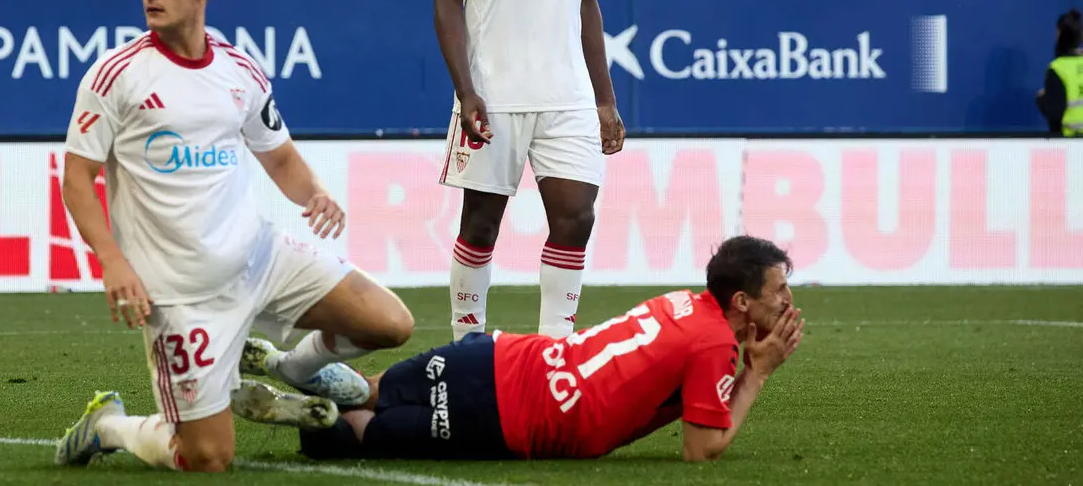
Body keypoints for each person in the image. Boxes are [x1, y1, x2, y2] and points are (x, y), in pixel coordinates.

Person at [53, 0, 414, 473]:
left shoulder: (238, 69)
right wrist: (113, 262)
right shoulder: (116, 76)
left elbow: (280, 156)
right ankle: (109, 426)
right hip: (181, 295)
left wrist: (314, 192)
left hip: (262, 259)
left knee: (390, 323)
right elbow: (76, 178)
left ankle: (295, 367)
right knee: (207, 457)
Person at [274, 235, 803, 463]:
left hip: (498, 354)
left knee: (372, 390)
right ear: (741, 300)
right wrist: (757, 373)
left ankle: (296, 380)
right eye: (779, 290)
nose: (787, 301)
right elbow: (700, 450)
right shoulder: (714, 345)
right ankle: (309, 417)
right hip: (514, 417)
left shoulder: (685, 304)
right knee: (362, 436)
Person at [432, 0, 625, 342]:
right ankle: (468, 343)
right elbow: (446, 0)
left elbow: (588, 3)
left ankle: (554, 350)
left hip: (566, 98)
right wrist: (467, 91)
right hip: (496, 94)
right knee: (481, 226)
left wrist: (604, 98)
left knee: (576, 218)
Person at [1037, 8, 1083, 136]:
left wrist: (1042, 100)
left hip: (1069, 146)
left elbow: (1055, 115)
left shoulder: (1058, 69)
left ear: (1059, 35)